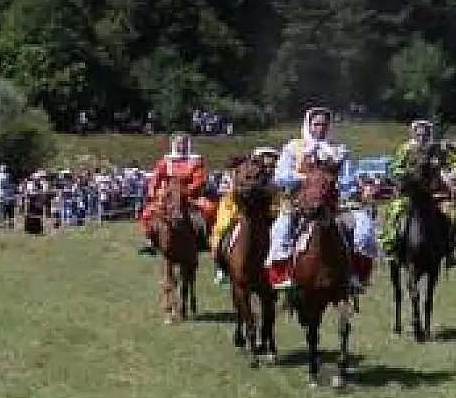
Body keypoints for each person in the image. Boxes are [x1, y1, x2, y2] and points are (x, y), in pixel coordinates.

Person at [267, 107, 375, 291]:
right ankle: (282, 275)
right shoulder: (293, 148)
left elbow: (348, 180)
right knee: (281, 229)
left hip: (334, 204)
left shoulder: (339, 151)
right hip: (299, 202)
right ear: (308, 125)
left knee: (364, 226)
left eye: (324, 124)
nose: (320, 128)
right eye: (316, 124)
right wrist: (303, 178)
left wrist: (340, 186)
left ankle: (356, 275)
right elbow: (280, 176)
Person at [380, 119, 456, 266]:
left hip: (437, 195)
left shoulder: (438, 149)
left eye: (425, 134)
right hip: (410, 194)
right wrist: (406, 174)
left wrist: (454, 173)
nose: (422, 137)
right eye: (419, 134)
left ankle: (450, 253)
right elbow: (394, 168)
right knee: (394, 213)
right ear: (414, 133)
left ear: (429, 134)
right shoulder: (406, 149)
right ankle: (392, 249)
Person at [211, 147, 280, 285]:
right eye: (265, 163)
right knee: (222, 228)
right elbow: (232, 190)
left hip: (267, 210)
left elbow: (275, 195)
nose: (269, 167)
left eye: (271, 164)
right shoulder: (244, 171)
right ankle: (220, 264)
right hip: (235, 207)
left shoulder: (275, 176)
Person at [138, 134, 213, 256]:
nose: (181, 146)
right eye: (179, 143)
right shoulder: (166, 161)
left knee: (209, 208)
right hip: (168, 196)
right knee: (147, 212)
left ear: (187, 144)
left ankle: (209, 237)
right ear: (174, 144)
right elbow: (156, 178)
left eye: (183, 143)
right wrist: (153, 192)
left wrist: (187, 191)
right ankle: (150, 240)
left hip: (190, 195)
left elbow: (199, 180)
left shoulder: (196, 161)